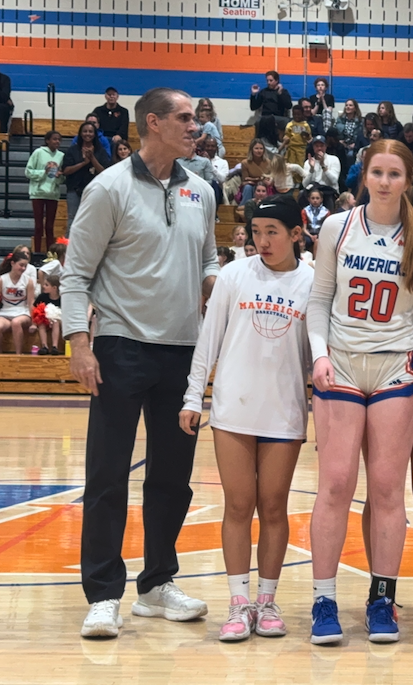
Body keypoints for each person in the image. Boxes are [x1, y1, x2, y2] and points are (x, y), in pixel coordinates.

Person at [64, 87, 219, 639]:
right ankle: (103, 593)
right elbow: (76, 273)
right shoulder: (108, 188)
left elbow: (208, 259)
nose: (196, 126)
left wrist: (224, 290)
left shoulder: (203, 189)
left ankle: (156, 585)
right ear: (153, 122)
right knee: (107, 475)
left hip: (184, 352)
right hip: (119, 347)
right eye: (185, 118)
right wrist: (79, 343)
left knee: (173, 478)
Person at [305, 138, 413, 645]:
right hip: (342, 364)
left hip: (396, 368)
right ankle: (324, 600)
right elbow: (319, 300)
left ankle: (381, 600)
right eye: (377, 172)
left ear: (407, 181)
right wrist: (319, 355)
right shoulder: (337, 227)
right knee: (335, 485)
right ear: (364, 175)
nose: (385, 182)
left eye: (394, 174)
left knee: (388, 489)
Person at [180, 193, 312, 642]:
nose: (262, 241)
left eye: (272, 232)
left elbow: (317, 353)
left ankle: (267, 601)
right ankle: (238, 604)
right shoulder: (234, 275)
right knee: (238, 505)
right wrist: (193, 397)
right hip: (233, 409)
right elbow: (208, 341)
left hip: (284, 410)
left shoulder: (313, 282)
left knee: (274, 506)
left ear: (296, 233)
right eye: (256, 232)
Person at [60, 122, 110, 229]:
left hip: (94, 190)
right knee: (73, 219)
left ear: (94, 134)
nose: (88, 134)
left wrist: (92, 158)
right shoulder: (73, 150)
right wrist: (83, 163)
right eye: (85, 131)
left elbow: (104, 172)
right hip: (74, 189)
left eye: (90, 131)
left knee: (92, 219)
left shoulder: (100, 151)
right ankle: (71, 240)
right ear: (80, 133)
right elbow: (66, 170)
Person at [25, 130, 65, 252]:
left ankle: (50, 253)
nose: (57, 142)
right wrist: (44, 172)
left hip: (52, 194)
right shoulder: (38, 152)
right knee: (38, 226)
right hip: (38, 193)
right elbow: (28, 171)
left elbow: (62, 177)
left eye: (59, 140)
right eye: (54, 139)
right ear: (47, 140)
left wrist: (59, 177)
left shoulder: (61, 156)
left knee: (49, 226)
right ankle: (37, 252)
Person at [0, 252, 36, 354]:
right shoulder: (2, 279)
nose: (23, 268)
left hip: (22, 312)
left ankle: (18, 355)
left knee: (16, 323)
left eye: (25, 266)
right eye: (21, 265)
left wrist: (34, 323)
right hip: (5, 312)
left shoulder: (28, 281)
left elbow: (31, 302)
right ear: (12, 263)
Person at [33, 272, 63, 355]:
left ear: (54, 288)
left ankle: (55, 347)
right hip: (45, 320)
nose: (43, 286)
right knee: (41, 323)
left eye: (46, 285)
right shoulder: (42, 297)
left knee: (55, 322)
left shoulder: (62, 298)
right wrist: (34, 324)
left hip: (58, 320)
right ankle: (44, 346)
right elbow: (35, 309)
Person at [240, 139, 273, 204]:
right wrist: (259, 179)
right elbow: (245, 180)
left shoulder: (268, 162)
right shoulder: (245, 163)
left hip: (264, 186)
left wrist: (253, 179)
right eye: (256, 148)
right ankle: (246, 206)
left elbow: (269, 178)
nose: (259, 151)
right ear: (251, 150)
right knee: (248, 187)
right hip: (251, 186)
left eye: (261, 148)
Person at [0, 69, 11, 133]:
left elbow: (5, 97)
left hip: (2, 104)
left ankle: (2, 133)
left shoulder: (5, 79)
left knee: (2, 108)